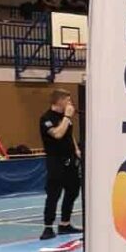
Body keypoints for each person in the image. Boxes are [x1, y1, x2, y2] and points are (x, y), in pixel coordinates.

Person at [38, 89, 82, 239]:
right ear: (59, 101)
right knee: (54, 194)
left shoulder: (65, 118)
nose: (70, 103)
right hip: (55, 160)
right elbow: (58, 134)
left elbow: (69, 134)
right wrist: (67, 117)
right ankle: (48, 227)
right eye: (67, 100)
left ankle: (65, 223)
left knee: (73, 190)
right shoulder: (46, 118)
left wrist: (76, 149)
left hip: (70, 159)